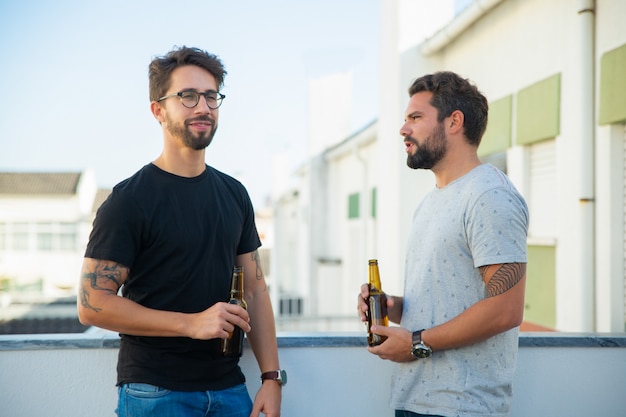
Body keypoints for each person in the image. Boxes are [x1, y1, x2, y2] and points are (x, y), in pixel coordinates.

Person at [78, 46, 283, 417]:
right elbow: (92, 304)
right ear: (158, 110)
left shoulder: (234, 194)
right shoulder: (129, 200)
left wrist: (271, 378)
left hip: (230, 389)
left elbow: (255, 288)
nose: (203, 107)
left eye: (211, 96)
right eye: (187, 96)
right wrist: (191, 324)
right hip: (155, 391)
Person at [357, 71, 529, 417]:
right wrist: (390, 305)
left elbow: (506, 309)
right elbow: (445, 300)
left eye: (416, 118)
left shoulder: (489, 195)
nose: (404, 129)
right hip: (417, 400)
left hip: (461, 406)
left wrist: (417, 343)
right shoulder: (432, 201)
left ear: (454, 122)